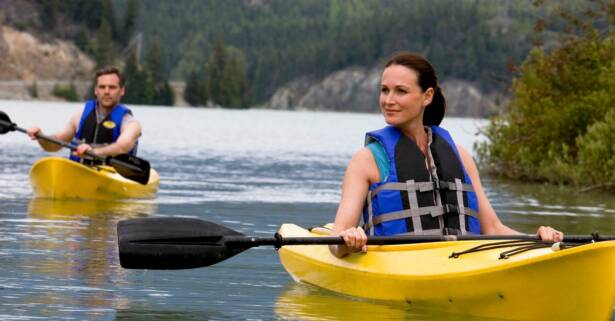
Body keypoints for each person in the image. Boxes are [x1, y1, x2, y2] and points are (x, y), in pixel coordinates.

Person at [329, 52, 563, 257]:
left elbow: (492, 228)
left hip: (462, 259)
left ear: (427, 96)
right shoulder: (366, 161)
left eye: (400, 91)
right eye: (384, 90)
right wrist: (350, 239)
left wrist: (539, 240)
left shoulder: (461, 157)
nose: (389, 100)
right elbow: (335, 244)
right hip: (397, 262)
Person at [27, 67, 141, 164]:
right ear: (96, 90)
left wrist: (93, 152)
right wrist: (40, 136)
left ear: (121, 91)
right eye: (102, 87)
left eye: (112, 87)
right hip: (80, 172)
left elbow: (122, 146)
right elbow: (54, 146)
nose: (106, 91)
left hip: (113, 175)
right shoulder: (79, 117)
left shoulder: (130, 123)